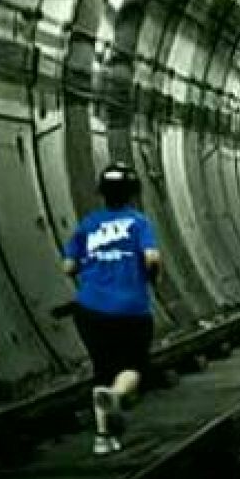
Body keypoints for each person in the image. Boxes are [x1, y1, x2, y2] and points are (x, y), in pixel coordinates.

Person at [61, 162, 162, 455]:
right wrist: (151, 278)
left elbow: (68, 266)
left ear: (102, 193)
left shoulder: (88, 224)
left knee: (102, 370)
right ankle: (117, 396)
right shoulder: (138, 222)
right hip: (131, 308)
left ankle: (103, 438)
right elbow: (152, 258)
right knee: (133, 367)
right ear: (133, 192)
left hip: (90, 309)